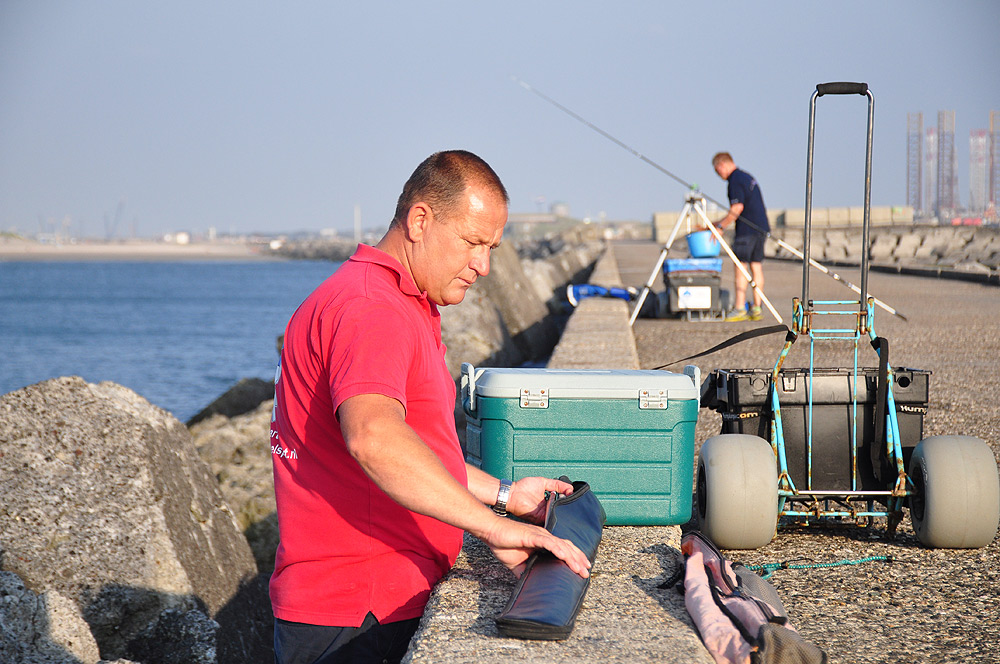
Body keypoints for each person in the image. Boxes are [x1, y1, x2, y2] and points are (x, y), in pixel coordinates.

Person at [268, 150, 591, 664]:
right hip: (359, 613)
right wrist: (494, 527)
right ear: (420, 220)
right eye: (472, 242)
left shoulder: (391, 299)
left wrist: (504, 495)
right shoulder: (373, 309)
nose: (483, 265)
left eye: (491, 248)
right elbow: (375, 438)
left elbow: (418, 449)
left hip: (354, 601)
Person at [712, 152, 769, 322]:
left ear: (722, 165)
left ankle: (739, 308)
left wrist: (721, 226)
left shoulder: (734, 181)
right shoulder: (746, 177)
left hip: (747, 230)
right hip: (761, 227)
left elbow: (737, 208)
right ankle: (757, 308)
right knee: (756, 266)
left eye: (717, 171)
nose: (719, 175)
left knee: (740, 266)